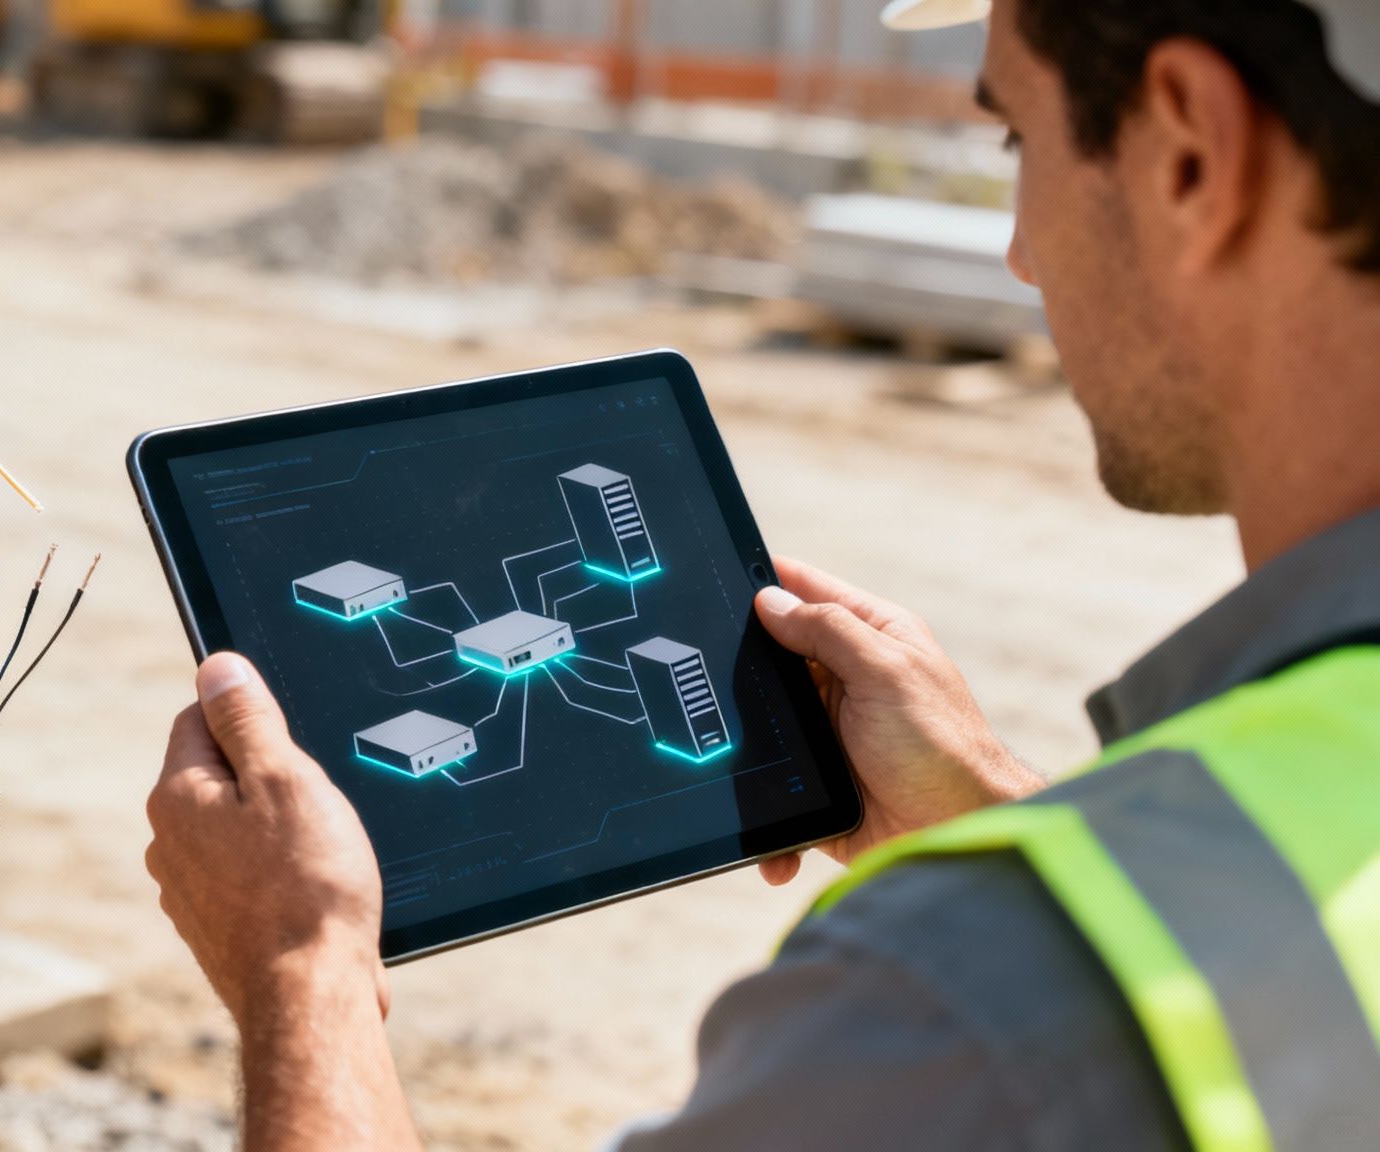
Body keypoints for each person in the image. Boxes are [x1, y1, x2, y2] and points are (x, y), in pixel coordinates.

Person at [143, 0, 1380, 1147]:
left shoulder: (949, 1010)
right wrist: (991, 808)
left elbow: (1071, 1004)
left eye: (1013, 140)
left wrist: (299, 966)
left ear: (1188, 154)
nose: (1018, 254)